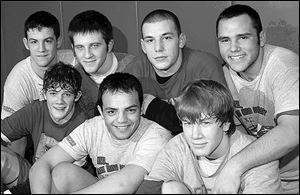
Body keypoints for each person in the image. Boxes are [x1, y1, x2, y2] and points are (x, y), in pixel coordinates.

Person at [29, 72, 173, 194]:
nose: (121, 120)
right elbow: (43, 163)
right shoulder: (92, 128)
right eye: (112, 111)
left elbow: (125, 183)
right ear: (101, 112)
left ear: (141, 109)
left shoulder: (157, 135)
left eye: (130, 110)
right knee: (62, 173)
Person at [136, 79, 282, 194]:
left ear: (225, 124)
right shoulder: (178, 145)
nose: (195, 135)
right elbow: (148, 189)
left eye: (205, 123)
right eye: (187, 123)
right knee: (170, 189)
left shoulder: (257, 156)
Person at [213, 4, 299, 194]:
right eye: (225, 40)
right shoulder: (222, 75)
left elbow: (293, 131)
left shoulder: (284, 66)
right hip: (258, 176)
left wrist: (233, 167)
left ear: (261, 38)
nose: (233, 48)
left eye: (243, 37)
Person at [1, 62, 89, 194]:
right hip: (34, 178)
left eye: (67, 94)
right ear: (44, 94)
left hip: (65, 186)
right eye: (53, 93)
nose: (59, 101)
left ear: (77, 96)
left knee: (61, 174)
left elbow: (63, 178)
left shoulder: (84, 125)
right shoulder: (36, 110)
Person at [1, 11, 75, 158]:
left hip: (75, 134)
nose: (41, 49)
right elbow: (11, 135)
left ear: (58, 41)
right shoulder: (18, 80)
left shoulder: (75, 64)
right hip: (35, 140)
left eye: (47, 41)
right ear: (26, 43)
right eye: (34, 41)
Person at [124, 9, 227, 104]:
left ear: (181, 40)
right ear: (143, 46)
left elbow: (222, 118)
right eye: (150, 40)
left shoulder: (205, 66)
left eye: (166, 38)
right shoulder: (133, 72)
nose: (158, 48)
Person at [68, 10, 135, 118]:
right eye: (80, 47)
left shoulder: (135, 67)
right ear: (73, 49)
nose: (87, 55)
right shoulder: (72, 80)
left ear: (109, 45)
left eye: (94, 46)